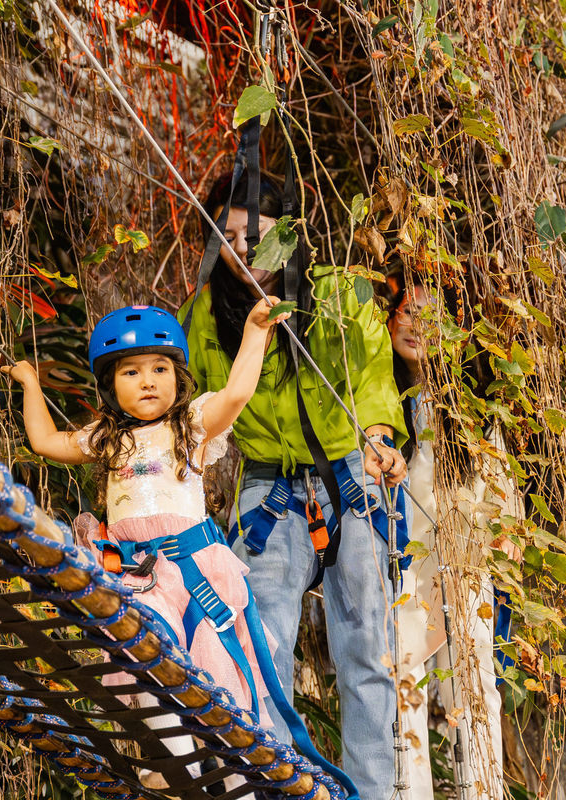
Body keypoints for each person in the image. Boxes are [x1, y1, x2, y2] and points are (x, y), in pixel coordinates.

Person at [180, 173, 410, 796]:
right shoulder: (205, 317)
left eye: (254, 234)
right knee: (263, 647)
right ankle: (273, 787)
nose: (243, 249)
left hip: (349, 479)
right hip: (267, 490)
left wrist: (381, 438)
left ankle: (372, 792)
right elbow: (182, 405)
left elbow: (373, 378)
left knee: (367, 650)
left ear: (286, 233)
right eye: (226, 237)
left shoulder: (336, 295)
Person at [1, 300, 292, 788]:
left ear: (178, 376)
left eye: (159, 368)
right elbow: (45, 442)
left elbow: (238, 393)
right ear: (111, 386)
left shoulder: (191, 426)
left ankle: (234, 780)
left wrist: (254, 332)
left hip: (195, 569)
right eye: (131, 372)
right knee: (150, 657)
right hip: (138, 575)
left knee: (218, 677)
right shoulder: (107, 439)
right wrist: (31, 384)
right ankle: (178, 765)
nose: (148, 381)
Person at [388, 276, 511, 799]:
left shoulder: (471, 405)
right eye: (408, 310)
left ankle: (482, 790)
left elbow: (500, 489)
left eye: (433, 315)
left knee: (475, 682)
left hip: (463, 558)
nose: (418, 325)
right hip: (401, 560)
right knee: (404, 681)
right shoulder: (375, 393)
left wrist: (500, 538)